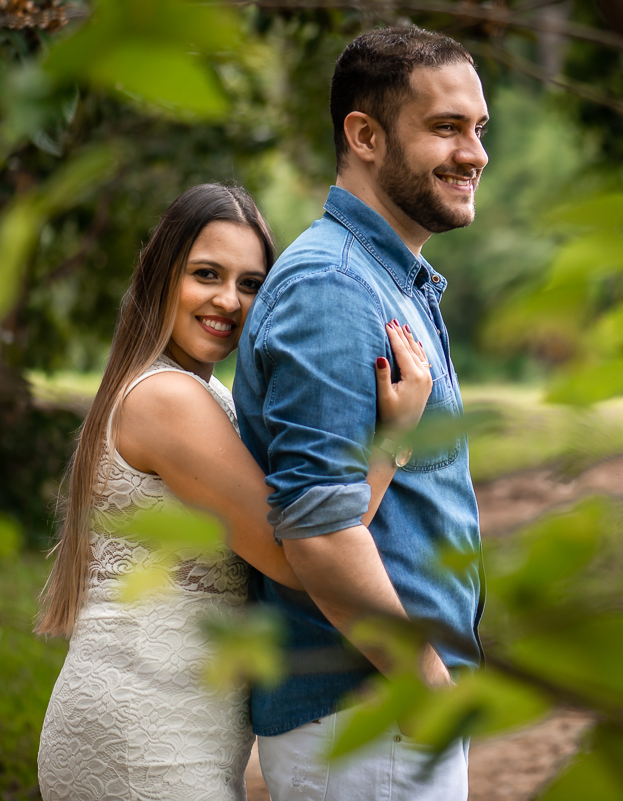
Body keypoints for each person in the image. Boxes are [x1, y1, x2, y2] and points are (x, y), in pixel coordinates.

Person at [34, 182, 434, 800]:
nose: (228, 300)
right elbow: (295, 556)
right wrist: (391, 442)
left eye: (251, 284)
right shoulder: (169, 400)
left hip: (177, 717)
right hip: (146, 729)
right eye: (206, 274)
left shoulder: (200, 395)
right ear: (162, 277)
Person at [233, 25, 488, 800]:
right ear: (365, 135)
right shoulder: (333, 288)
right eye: (446, 127)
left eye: (479, 129)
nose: (474, 153)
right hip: (369, 718)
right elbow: (318, 530)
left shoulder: (387, 280)